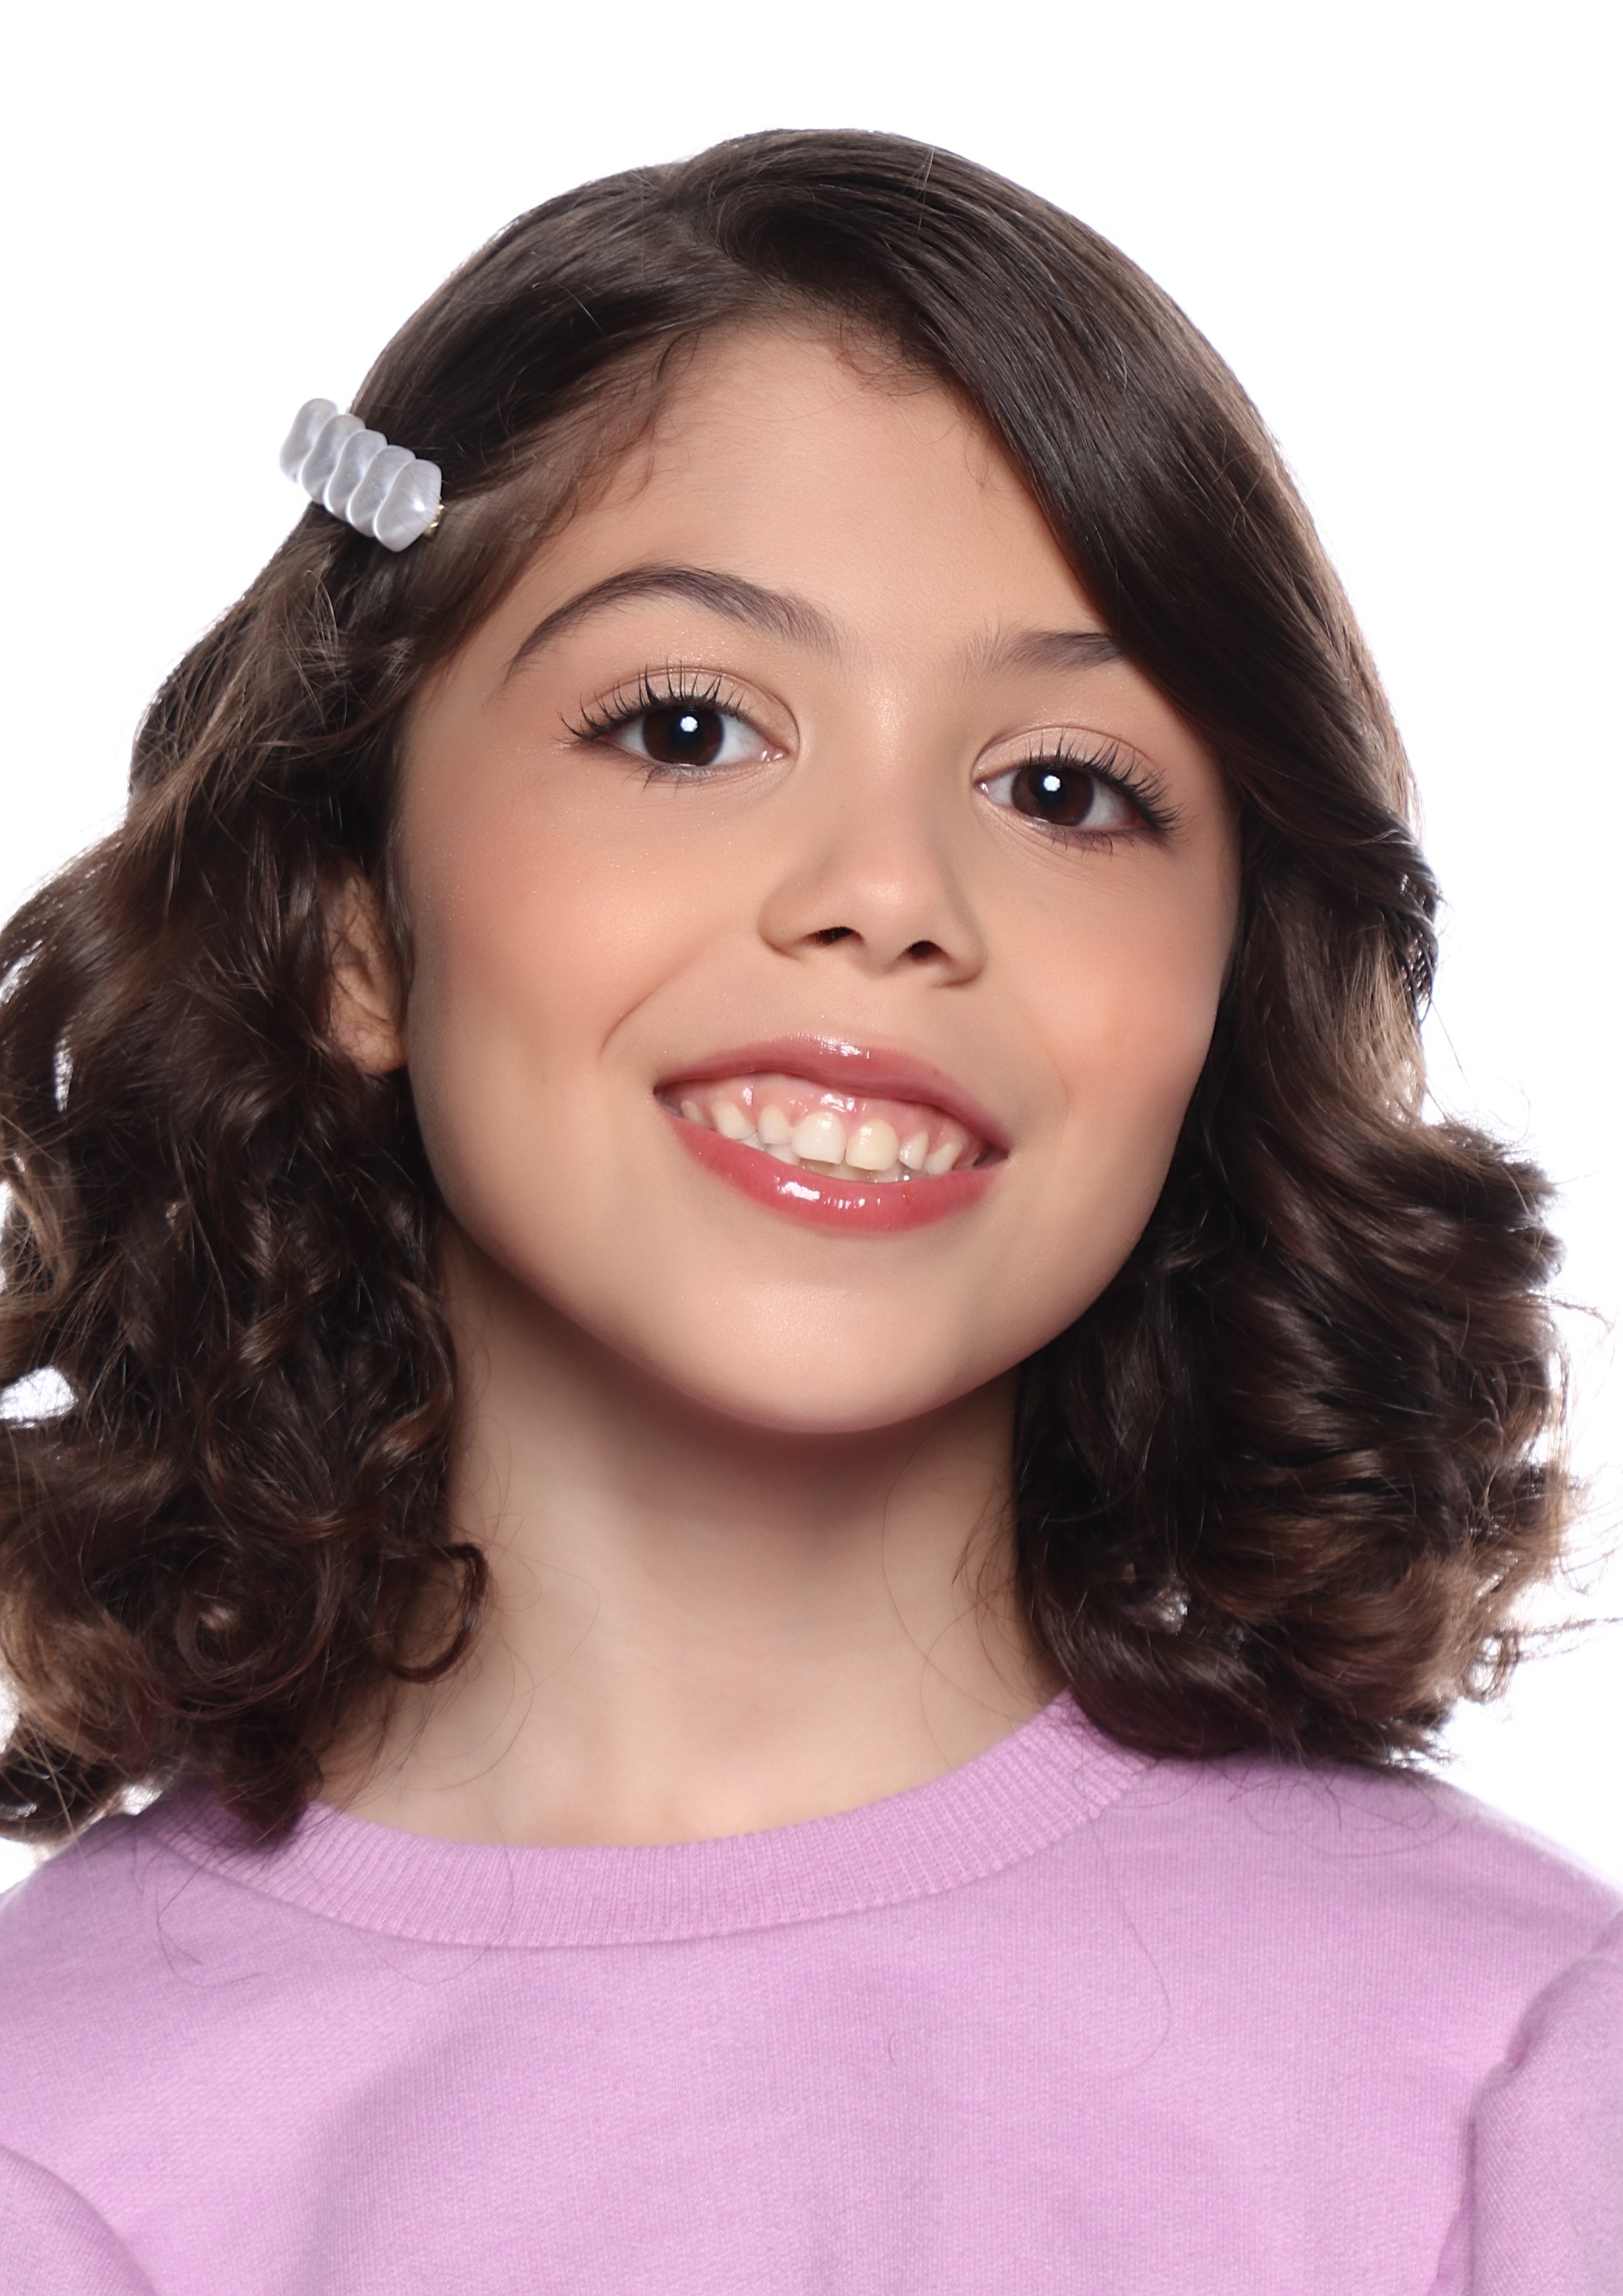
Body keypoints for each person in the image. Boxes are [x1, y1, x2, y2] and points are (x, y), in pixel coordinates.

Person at [0, 128, 1615, 2295]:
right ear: (352, 924)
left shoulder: (1528, 2083)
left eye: (1064, 788)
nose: (885, 893)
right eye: (686, 729)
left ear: (1222, 996)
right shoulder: (51, 2147)